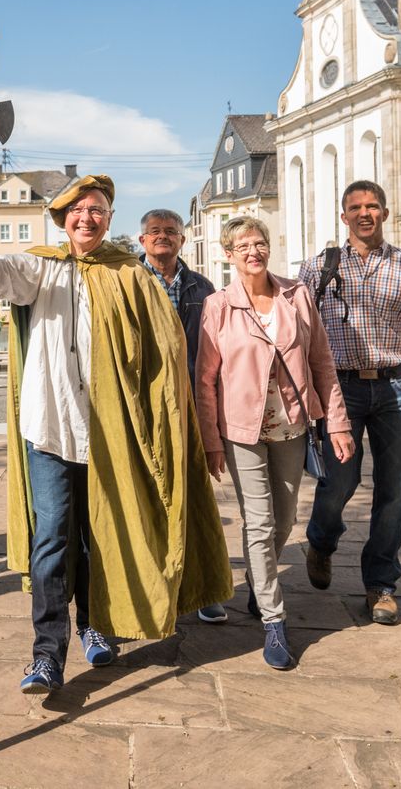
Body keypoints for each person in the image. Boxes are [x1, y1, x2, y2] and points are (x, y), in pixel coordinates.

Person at [0, 174, 231, 695]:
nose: (87, 218)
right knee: (53, 537)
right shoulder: (41, 268)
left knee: (103, 533)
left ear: (108, 218)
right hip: (50, 428)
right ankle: (46, 655)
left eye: (97, 210)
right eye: (78, 210)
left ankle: (95, 623)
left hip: (111, 430)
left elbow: (163, 353)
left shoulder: (131, 275)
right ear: (63, 218)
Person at [196, 216, 355, 669]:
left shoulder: (296, 295)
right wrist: (211, 442)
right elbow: (204, 381)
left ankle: (259, 588)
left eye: (260, 242)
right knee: (260, 524)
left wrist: (338, 423)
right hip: (241, 432)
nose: (254, 251)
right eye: (243, 245)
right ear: (229, 254)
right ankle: (273, 619)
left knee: (284, 522)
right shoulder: (218, 305)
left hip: (293, 427)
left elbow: (321, 362)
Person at [300, 180, 401, 627]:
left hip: (393, 388)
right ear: (344, 215)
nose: (364, 213)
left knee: (394, 489)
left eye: (372, 206)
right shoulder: (318, 268)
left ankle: (381, 586)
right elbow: (295, 332)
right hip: (339, 390)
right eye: (356, 207)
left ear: (385, 214)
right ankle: (321, 540)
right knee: (338, 482)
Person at [136, 207, 229, 626]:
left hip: (189, 405)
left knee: (193, 501)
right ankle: (150, 588)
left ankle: (200, 590)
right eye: (154, 232)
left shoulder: (202, 287)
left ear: (182, 240)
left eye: (170, 231)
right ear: (142, 241)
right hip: (138, 407)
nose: (162, 237)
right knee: (145, 500)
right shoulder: (127, 282)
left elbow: (216, 352)